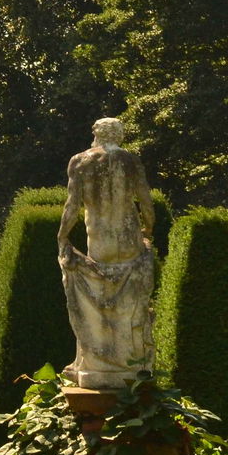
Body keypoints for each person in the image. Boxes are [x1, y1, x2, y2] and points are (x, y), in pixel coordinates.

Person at [57, 117, 156, 389]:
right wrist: (148, 228)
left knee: (98, 300)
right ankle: (131, 360)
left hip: (99, 242)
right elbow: (146, 201)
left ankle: (94, 361)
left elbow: (72, 206)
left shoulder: (80, 162)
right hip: (128, 239)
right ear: (120, 135)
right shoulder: (130, 161)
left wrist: (63, 235)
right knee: (129, 305)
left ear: (96, 134)